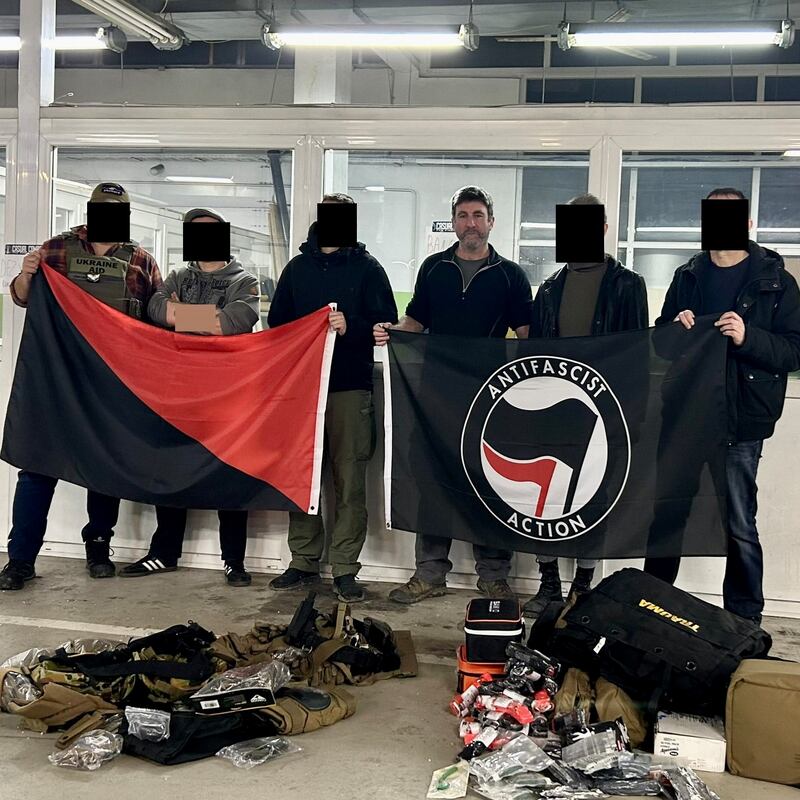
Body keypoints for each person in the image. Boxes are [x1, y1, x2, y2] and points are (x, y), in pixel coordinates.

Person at [644, 187, 800, 624]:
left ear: (748, 224)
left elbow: (794, 351)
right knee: (667, 514)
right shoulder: (688, 276)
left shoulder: (776, 280)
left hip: (741, 421)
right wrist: (676, 328)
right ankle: (650, 607)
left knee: (739, 524)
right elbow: (661, 342)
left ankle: (745, 620)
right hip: (685, 417)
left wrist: (749, 337)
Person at [0, 182, 163, 591]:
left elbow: (158, 318)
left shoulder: (140, 259)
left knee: (102, 469)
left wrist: (216, 325)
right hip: (55, 378)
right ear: (91, 211)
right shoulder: (55, 249)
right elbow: (22, 298)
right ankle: (20, 560)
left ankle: (98, 547)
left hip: (110, 381)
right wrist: (25, 274)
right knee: (37, 468)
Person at [375, 185, 533, 605]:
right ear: (454, 222)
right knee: (433, 481)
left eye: (478, 215)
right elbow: (415, 323)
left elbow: (528, 337)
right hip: (435, 397)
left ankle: (494, 576)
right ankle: (429, 574)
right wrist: (390, 333)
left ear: (491, 222)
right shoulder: (433, 268)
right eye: (463, 215)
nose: (471, 224)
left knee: (492, 483)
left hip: (490, 398)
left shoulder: (511, 275)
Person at [118, 208, 261, 586]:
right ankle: (164, 552)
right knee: (170, 466)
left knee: (229, 471)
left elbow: (234, 323)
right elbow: (154, 309)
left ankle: (234, 559)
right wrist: (206, 317)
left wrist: (180, 315)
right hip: (178, 389)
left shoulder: (245, 281)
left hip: (226, 391)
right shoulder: (177, 275)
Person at [267, 193, 397, 603]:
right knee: (303, 478)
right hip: (302, 391)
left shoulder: (368, 268)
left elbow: (386, 324)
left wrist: (351, 324)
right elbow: (276, 323)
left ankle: (344, 568)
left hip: (349, 388)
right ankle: (303, 561)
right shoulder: (297, 269)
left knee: (349, 481)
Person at [525, 193, 649, 617]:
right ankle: (549, 584)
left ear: (603, 229)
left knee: (595, 495)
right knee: (546, 495)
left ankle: (582, 585)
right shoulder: (549, 287)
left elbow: (637, 351)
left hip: (604, 411)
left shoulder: (628, 285)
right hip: (556, 407)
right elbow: (536, 354)